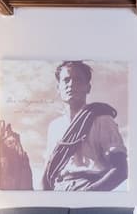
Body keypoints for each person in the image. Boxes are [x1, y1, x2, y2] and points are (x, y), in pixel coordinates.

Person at [41, 61, 128, 191]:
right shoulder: (54, 127)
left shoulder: (102, 119)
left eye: (78, 80)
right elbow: (47, 174)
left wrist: (89, 193)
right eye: (66, 80)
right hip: (59, 189)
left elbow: (121, 170)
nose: (71, 84)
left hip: (90, 186)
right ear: (58, 88)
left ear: (88, 88)